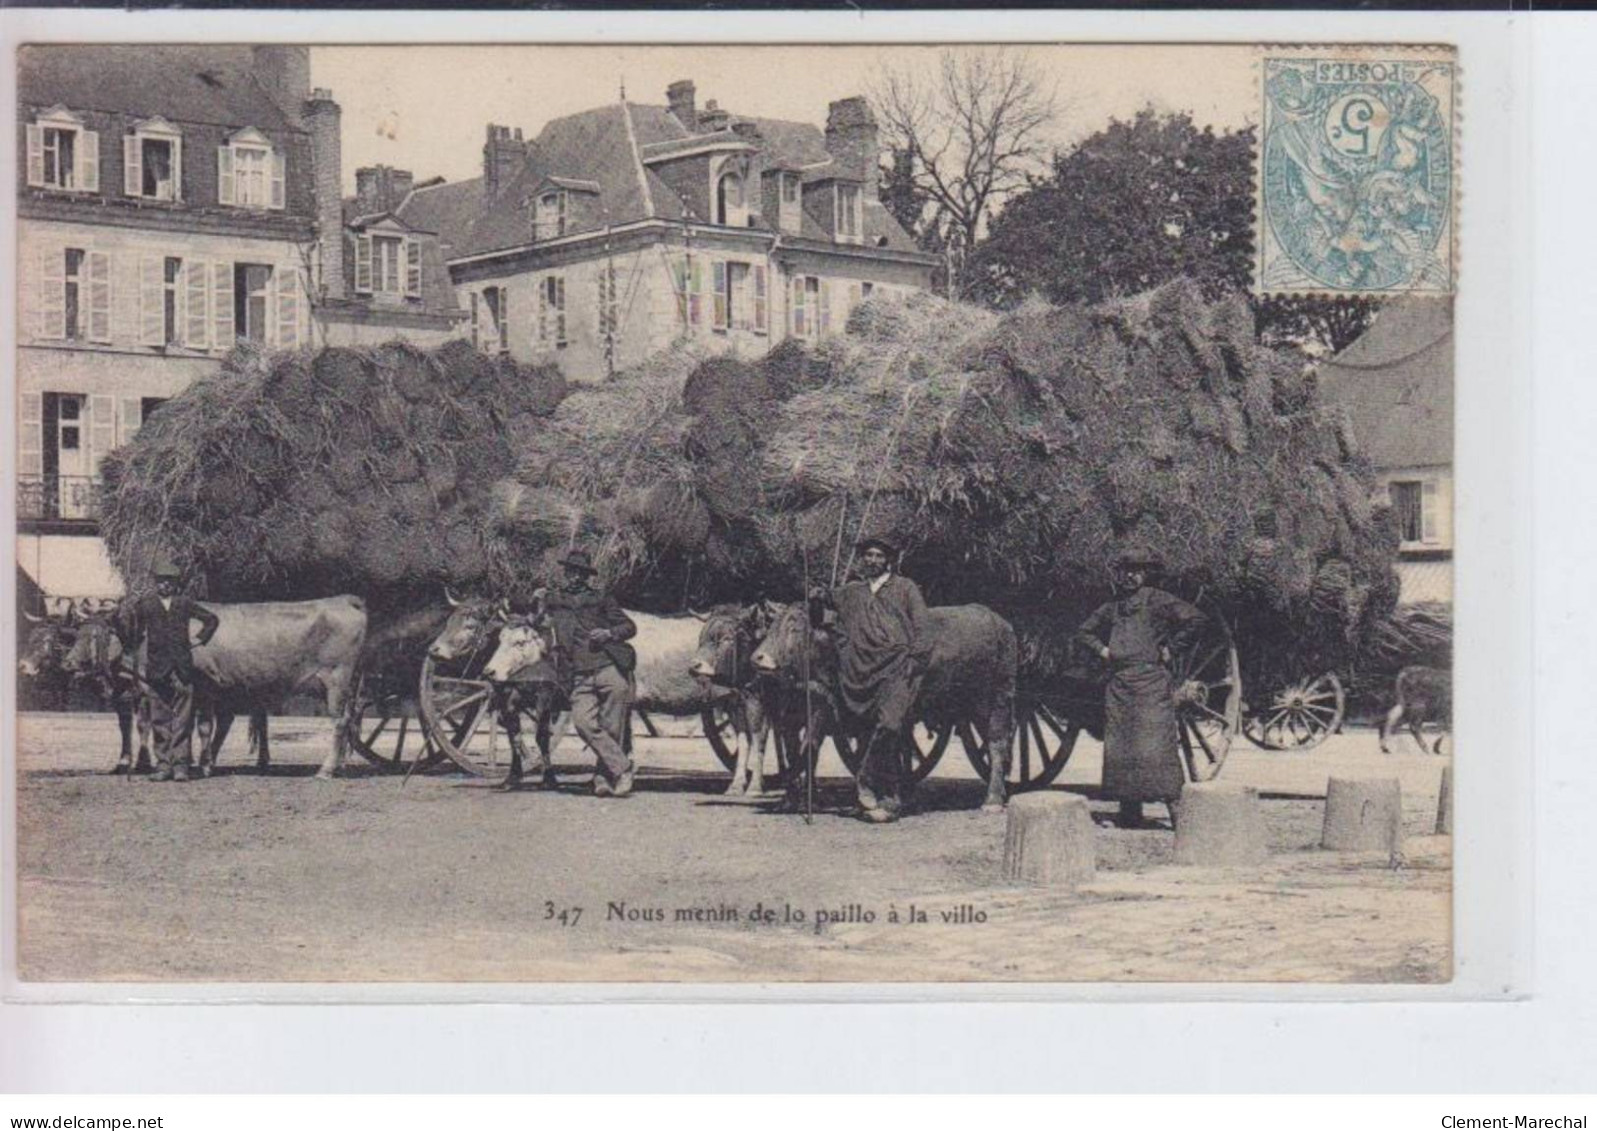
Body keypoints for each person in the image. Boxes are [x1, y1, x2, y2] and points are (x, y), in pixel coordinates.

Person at [1074, 545, 1207, 828]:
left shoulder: (1159, 601)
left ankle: (1178, 814)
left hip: (1152, 686)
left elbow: (1195, 618)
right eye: (1126, 571)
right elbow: (1084, 631)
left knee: (1159, 747)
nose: (1130, 577)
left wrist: (1171, 649)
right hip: (1119, 687)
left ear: (1146, 574)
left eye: (1137, 571)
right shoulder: (1113, 607)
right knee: (1122, 748)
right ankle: (1129, 813)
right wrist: (1103, 651)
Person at [810, 536, 930, 824]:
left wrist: (915, 659)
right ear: (863, 560)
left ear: (888, 560)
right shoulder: (852, 591)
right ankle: (889, 797)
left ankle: (865, 779)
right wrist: (815, 597)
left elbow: (923, 627)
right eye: (868, 555)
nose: (873, 560)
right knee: (866, 728)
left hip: (897, 668)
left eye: (878, 556)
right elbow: (821, 612)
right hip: (861, 671)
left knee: (889, 725)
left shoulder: (905, 588)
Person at [537, 549, 638, 798]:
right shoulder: (555, 600)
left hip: (608, 669)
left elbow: (629, 627)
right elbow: (533, 614)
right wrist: (535, 597)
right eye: (570, 571)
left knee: (612, 728)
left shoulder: (601, 599)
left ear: (585, 576)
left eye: (578, 572)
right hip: (578, 676)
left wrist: (609, 634)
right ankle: (623, 767)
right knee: (583, 724)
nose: (573, 576)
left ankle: (603, 778)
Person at [121, 557, 219, 783]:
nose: (164, 585)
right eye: (161, 581)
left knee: (183, 720)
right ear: (155, 583)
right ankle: (163, 765)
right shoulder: (146, 604)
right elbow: (132, 631)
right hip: (157, 670)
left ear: (176, 584)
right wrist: (133, 625)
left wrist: (198, 639)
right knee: (159, 719)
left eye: (169, 581)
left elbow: (211, 620)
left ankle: (181, 767)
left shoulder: (184, 603)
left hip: (183, 669)